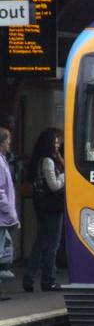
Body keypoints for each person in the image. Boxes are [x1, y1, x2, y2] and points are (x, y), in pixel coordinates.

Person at [23, 128, 65, 292]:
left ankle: (29, 277)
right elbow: (54, 186)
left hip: (41, 205)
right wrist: (64, 176)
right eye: (55, 142)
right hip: (52, 206)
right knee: (52, 244)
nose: (58, 145)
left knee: (40, 242)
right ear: (49, 143)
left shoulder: (40, 160)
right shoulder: (48, 161)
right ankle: (48, 280)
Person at [0, 127, 18, 298]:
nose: (9, 143)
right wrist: (10, 212)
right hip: (2, 216)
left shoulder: (3, 159)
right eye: (7, 140)